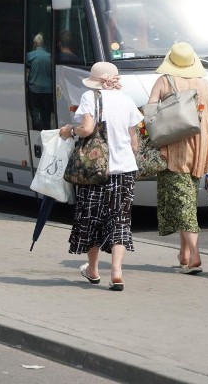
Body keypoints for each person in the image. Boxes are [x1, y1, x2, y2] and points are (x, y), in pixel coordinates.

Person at [59, 61, 143, 291]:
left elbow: (86, 128)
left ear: (96, 81)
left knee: (91, 218)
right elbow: (134, 142)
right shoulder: (127, 100)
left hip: (95, 170)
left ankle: (93, 269)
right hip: (124, 170)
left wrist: (69, 130)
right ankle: (116, 272)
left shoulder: (91, 97)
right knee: (119, 220)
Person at [147, 42, 208, 275]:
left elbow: (149, 113)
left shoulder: (165, 81)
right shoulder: (206, 85)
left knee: (184, 207)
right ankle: (184, 254)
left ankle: (195, 255)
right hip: (200, 151)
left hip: (175, 149)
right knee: (186, 202)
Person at [26, 33, 53, 130]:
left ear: (35, 44)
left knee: (35, 113)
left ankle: (37, 131)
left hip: (34, 89)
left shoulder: (30, 55)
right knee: (46, 114)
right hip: (48, 90)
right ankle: (47, 131)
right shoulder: (50, 56)